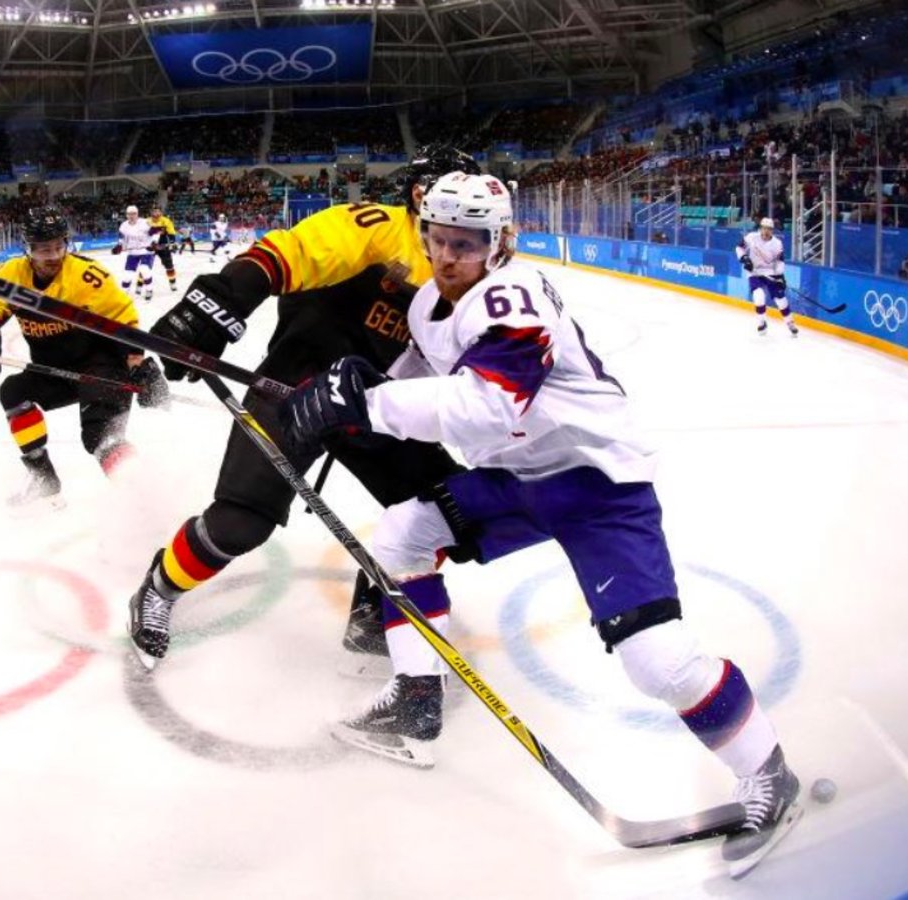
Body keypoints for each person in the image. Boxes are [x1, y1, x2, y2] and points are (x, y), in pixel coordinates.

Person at [280, 172, 800, 878]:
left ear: (501, 243)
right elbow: (413, 377)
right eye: (436, 238)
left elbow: (485, 407)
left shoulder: (511, 297)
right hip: (519, 479)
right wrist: (350, 391)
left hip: (594, 484)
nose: (447, 254)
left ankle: (770, 776)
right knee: (404, 535)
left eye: (466, 242)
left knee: (660, 661)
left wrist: (366, 404)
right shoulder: (433, 301)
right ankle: (415, 698)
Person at [126, 144, 482, 674]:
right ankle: (158, 586)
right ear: (418, 198)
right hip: (295, 386)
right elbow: (291, 253)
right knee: (241, 523)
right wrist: (222, 298)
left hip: (379, 409)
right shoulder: (376, 228)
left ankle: (371, 614)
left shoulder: (477, 269)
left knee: (449, 510)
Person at [0, 208, 170, 504]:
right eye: (45, 249)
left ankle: (146, 500)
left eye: (59, 246)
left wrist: (138, 364)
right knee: (13, 392)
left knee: (100, 437)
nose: (54, 255)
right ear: (28, 249)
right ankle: (43, 478)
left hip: (101, 365)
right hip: (54, 370)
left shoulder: (88, 276)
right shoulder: (14, 273)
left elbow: (123, 318)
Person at [735, 217, 797, 337]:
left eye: (769, 229)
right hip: (755, 272)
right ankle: (761, 322)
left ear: (772, 230)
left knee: (780, 299)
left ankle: (790, 322)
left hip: (770, 273)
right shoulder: (751, 237)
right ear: (760, 228)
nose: (766, 231)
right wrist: (744, 259)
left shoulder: (777, 243)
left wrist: (780, 276)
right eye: (764, 228)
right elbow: (739, 247)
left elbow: (780, 261)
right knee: (759, 296)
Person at [114, 205, 156, 301]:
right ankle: (124, 294)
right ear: (126, 215)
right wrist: (119, 245)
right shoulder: (124, 225)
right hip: (132, 252)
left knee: (144, 269)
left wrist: (154, 242)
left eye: (133, 214)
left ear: (137, 214)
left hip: (146, 251)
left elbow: (155, 232)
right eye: (129, 214)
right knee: (127, 275)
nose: (131, 216)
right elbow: (121, 237)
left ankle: (149, 289)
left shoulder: (145, 222)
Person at [148, 207, 180, 294]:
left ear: (161, 212)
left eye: (158, 211)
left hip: (163, 246)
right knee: (146, 267)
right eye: (154, 211)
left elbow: (172, 233)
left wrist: (173, 243)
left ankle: (172, 283)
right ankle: (142, 286)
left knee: (169, 265)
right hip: (151, 247)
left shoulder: (166, 221)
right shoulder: (147, 221)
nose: (156, 213)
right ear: (151, 212)